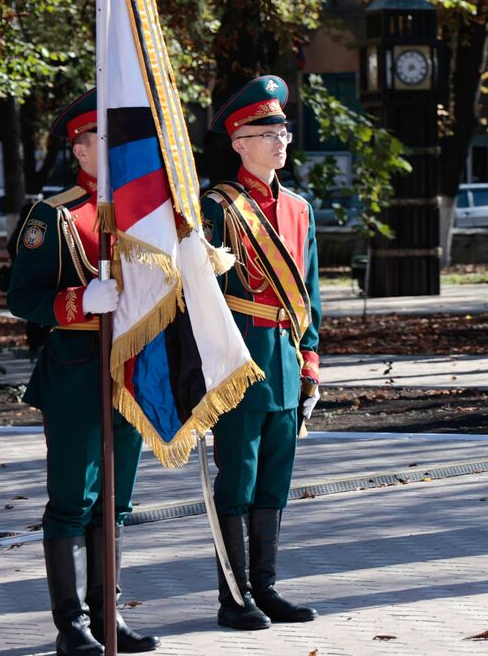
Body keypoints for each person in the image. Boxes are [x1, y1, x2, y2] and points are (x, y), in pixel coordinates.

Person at [7, 89, 161, 654]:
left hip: (132, 373)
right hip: (75, 375)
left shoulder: (143, 212)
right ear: (81, 149)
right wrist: (77, 303)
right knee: (72, 499)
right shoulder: (54, 215)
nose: (116, 149)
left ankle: (107, 617)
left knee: (115, 502)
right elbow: (22, 297)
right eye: (104, 140)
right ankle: (70, 624)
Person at [202, 75, 321, 630]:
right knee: (239, 478)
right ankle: (233, 596)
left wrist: (312, 360)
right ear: (238, 142)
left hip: (286, 357)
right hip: (238, 358)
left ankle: (265, 588)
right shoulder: (218, 207)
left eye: (283, 131)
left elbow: (310, 295)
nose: (279, 141)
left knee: (275, 477)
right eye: (264, 131)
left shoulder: (299, 209)